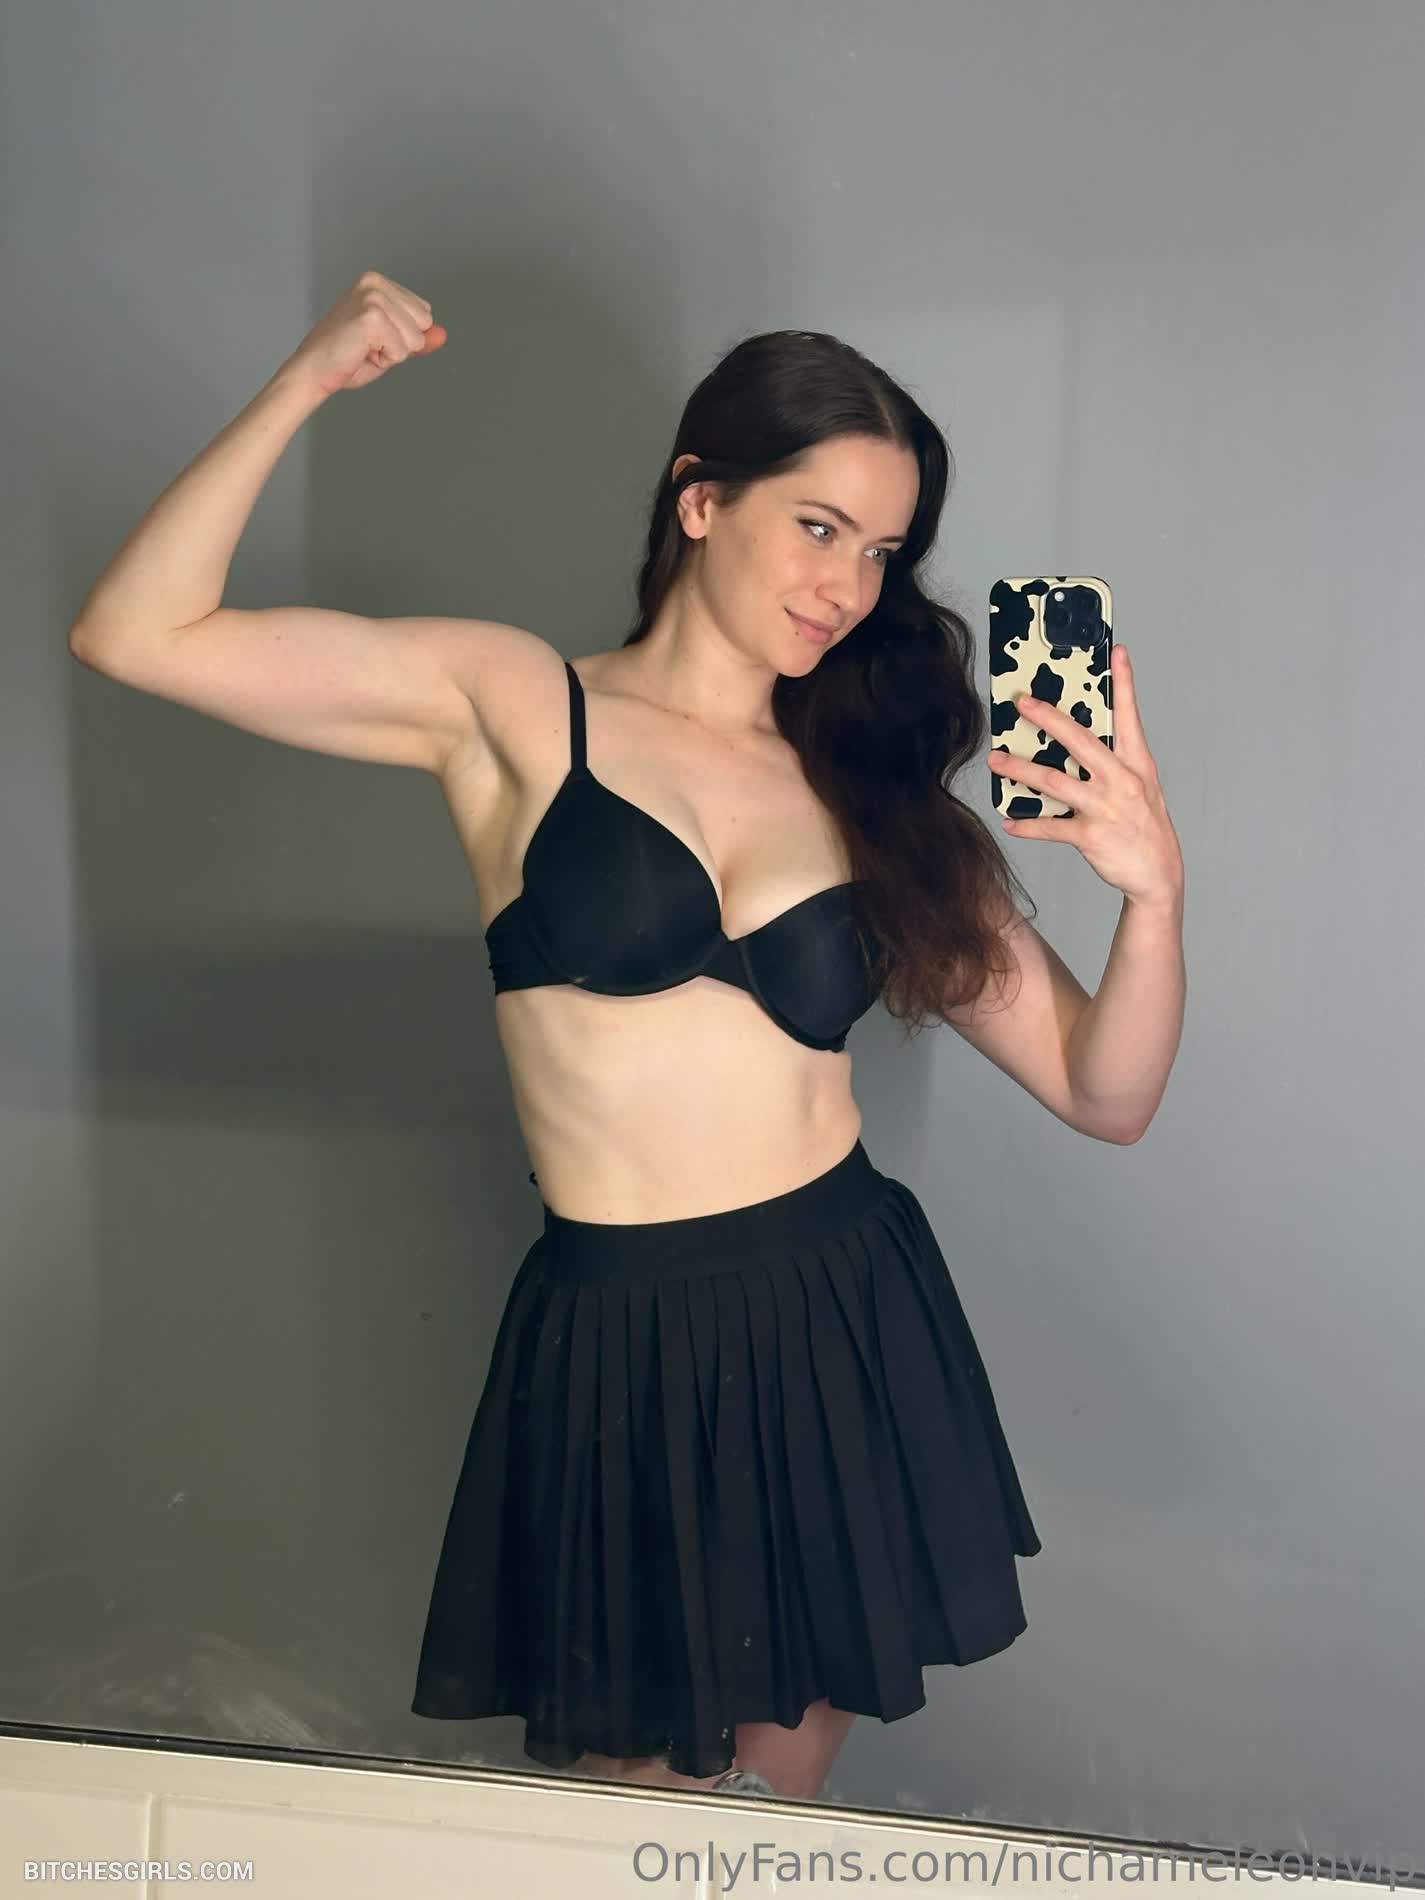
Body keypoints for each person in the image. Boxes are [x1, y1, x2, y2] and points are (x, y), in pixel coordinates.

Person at [68, 271, 1186, 1802]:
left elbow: (1103, 1091)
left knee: (771, 1816)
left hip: (835, 1310)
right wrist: (309, 378)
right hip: (623, 1339)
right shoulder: (513, 704)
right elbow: (135, 631)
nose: (847, 585)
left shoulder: (866, 789)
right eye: (818, 527)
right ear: (700, 497)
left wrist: (1152, 899)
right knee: (634, 1822)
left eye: (880, 552)